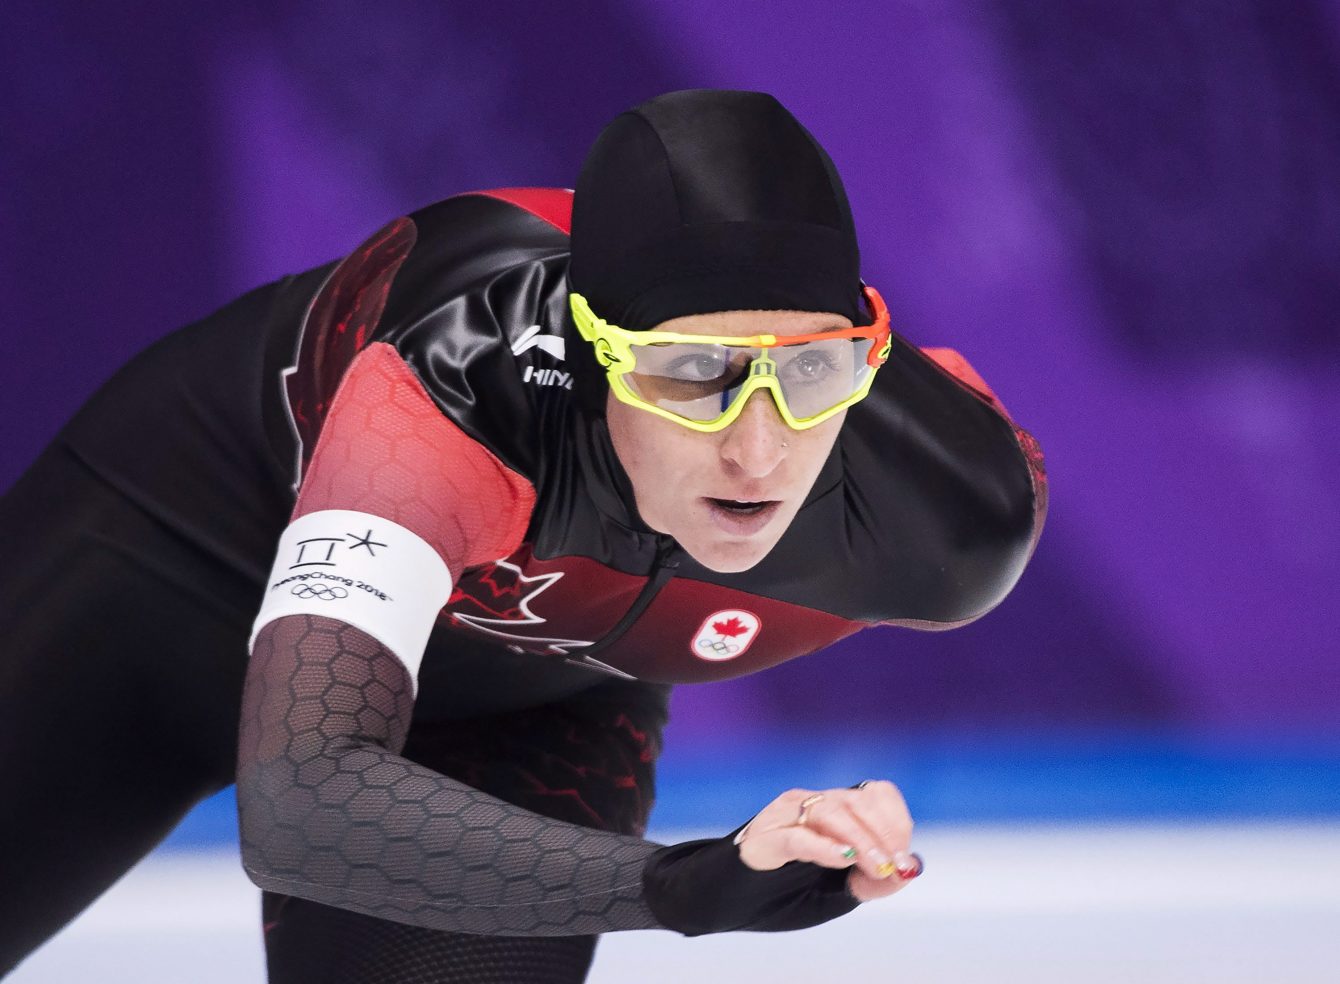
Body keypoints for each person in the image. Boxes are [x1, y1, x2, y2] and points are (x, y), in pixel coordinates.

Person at [0, 89, 1046, 982]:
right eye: (688, 374)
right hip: (166, 566)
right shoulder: (451, 387)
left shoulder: (952, 507)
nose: (757, 454)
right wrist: (681, 884)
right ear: (592, 353)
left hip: (518, 702)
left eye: (811, 373)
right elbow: (304, 800)